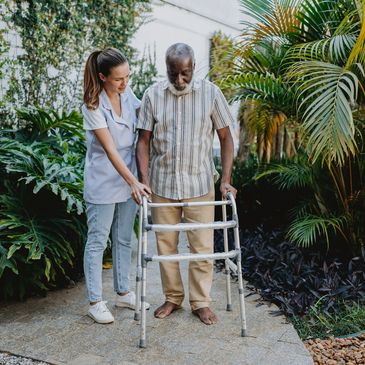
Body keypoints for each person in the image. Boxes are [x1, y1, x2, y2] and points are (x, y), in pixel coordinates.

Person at [136, 43, 237, 325]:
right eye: (173, 73)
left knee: (202, 247)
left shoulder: (211, 93)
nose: (179, 80)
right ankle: (172, 297)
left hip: (200, 182)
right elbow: (143, 141)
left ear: (194, 67)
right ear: (166, 68)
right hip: (163, 183)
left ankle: (201, 302)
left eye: (185, 73)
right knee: (165, 246)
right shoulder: (153, 94)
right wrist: (144, 181)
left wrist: (226, 180)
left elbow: (226, 138)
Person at [82, 48, 151, 324]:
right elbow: (110, 149)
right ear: (102, 77)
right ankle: (95, 301)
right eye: (118, 79)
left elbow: (147, 120)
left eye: (128, 77)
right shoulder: (92, 105)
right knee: (98, 241)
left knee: (124, 238)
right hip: (103, 181)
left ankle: (123, 293)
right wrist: (134, 181)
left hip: (128, 180)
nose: (125, 83)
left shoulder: (128, 95)